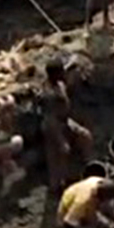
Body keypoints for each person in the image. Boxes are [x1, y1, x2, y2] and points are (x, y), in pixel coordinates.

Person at [41, 59, 94, 199]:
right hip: (52, 128)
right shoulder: (49, 95)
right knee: (60, 156)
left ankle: (88, 166)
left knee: (85, 136)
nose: (64, 73)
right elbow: (50, 120)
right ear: (55, 75)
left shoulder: (59, 83)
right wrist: (61, 141)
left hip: (65, 121)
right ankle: (58, 187)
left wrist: (72, 63)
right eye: (61, 71)